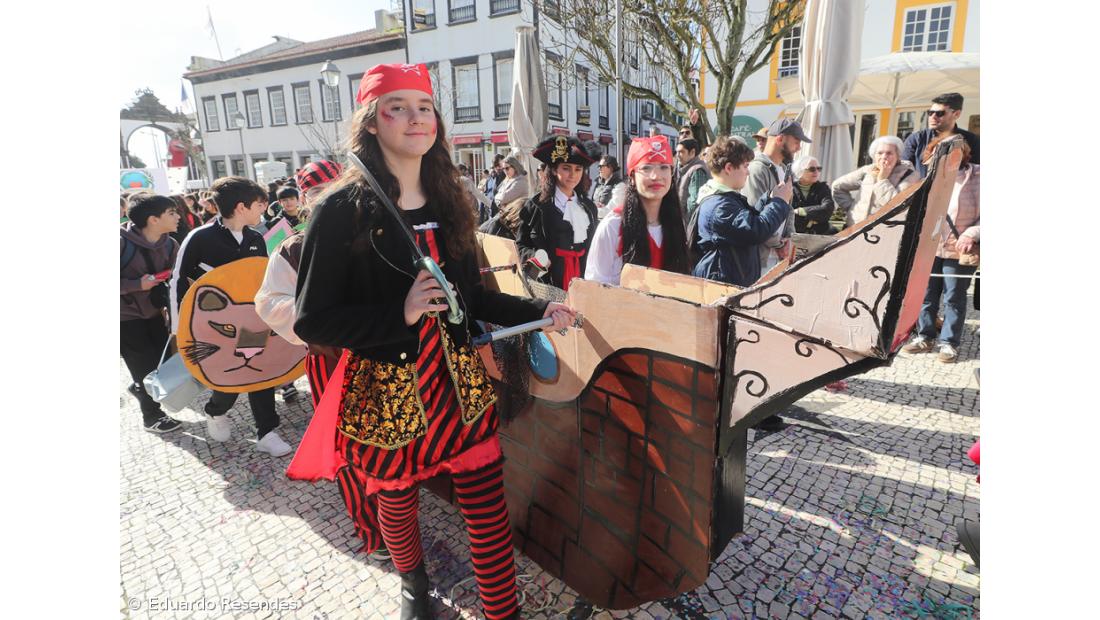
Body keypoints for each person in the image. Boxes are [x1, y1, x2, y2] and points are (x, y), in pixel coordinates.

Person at [293, 63, 575, 620]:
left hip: (458, 386)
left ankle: (502, 612)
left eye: (424, 107)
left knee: (487, 509)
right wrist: (398, 312)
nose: (415, 118)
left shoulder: (450, 200)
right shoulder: (339, 209)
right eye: (397, 107)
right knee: (396, 500)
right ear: (371, 122)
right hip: (387, 388)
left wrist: (541, 310)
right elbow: (312, 321)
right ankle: (412, 582)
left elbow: (472, 297)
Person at [169, 176, 294, 457]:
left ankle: (267, 432)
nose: (263, 210)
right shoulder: (199, 238)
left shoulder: (255, 238)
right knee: (227, 376)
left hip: (253, 322)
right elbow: (177, 281)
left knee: (262, 371)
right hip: (217, 327)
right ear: (241, 207)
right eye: (259, 204)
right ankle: (216, 410)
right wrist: (178, 328)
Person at [902, 137, 979, 363]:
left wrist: (972, 234)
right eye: (939, 151)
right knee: (926, 293)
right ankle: (925, 336)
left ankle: (949, 342)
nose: (945, 156)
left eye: (951, 151)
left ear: (962, 153)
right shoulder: (930, 178)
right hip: (930, 246)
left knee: (954, 296)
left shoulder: (978, 176)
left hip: (959, 246)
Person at [585, 136, 690, 285]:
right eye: (646, 168)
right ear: (632, 176)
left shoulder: (676, 223)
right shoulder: (613, 226)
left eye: (664, 167)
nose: (656, 176)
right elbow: (595, 285)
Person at [691, 135, 792, 287]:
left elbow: (749, 222)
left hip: (728, 282)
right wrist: (780, 201)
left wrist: (769, 198)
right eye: (745, 166)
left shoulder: (724, 199)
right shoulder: (720, 207)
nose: (748, 172)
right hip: (722, 287)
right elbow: (756, 230)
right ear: (729, 168)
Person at [120, 193, 183, 433]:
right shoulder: (120, 243)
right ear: (153, 219)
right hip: (125, 318)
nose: (178, 217)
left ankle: (139, 388)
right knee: (143, 367)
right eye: (171, 213)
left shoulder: (170, 244)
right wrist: (137, 285)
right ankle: (151, 417)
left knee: (162, 363)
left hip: (155, 313)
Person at [515, 135, 600, 291]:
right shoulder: (536, 206)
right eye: (566, 168)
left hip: (583, 282)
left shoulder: (589, 208)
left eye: (578, 169)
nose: (573, 175)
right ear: (554, 170)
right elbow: (521, 245)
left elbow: (594, 248)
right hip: (548, 285)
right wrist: (537, 257)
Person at [743, 118, 810, 276]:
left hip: (777, 257)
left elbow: (789, 209)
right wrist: (780, 245)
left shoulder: (783, 170)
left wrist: (790, 240)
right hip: (760, 259)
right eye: (796, 141)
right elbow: (755, 216)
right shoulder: (757, 169)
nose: (799, 147)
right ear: (780, 139)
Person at [832, 136, 920, 228]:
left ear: (898, 156)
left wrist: (882, 180)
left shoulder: (910, 175)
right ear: (874, 156)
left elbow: (897, 206)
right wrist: (853, 209)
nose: (884, 157)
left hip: (882, 231)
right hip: (854, 228)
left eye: (889, 153)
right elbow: (837, 186)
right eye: (880, 153)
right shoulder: (868, 170)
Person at [902, 92, 979, 178]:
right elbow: (903, 170)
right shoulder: (916, 139)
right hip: (920, 186)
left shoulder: (972, 140)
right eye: (930, 112)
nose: (933, 117)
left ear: (956, 114)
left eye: (939, 113)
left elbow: (976, 173)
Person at [790, 156, 836, 234]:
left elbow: (828, 209)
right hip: (794, 234)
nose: (816, 172)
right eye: (812, 169)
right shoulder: (790, 188)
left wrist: (800, 211)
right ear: (800, 171)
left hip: (821, 234)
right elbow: (788, 215)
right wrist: (814, 218)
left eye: (819, 169)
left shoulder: (823, 187)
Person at [675, 138, 709, 224]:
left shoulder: (697, 170)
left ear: (692, 152)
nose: (677, 155)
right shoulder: (684, 168)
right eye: (677, 152)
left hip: (689, 223)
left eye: (681, 152)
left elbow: (694, 203)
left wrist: (685, 223)